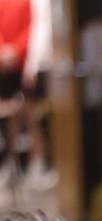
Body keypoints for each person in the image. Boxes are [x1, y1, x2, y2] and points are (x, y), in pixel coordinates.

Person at [18, 0, 58, 194]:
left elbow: (43, 29)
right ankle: (40, 162)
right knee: (35, 116)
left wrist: (32, 63)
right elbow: (38, 29)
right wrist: (31, 63)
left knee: (45, 116)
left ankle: (47, 164)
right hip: (37, 63)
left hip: (49, 63)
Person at [0, 0, 31, 196]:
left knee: (18, 115)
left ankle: (12, 164)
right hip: (2, 62)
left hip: (19, 66)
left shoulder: (26, 3)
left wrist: (16, 51)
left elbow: (30, 29)